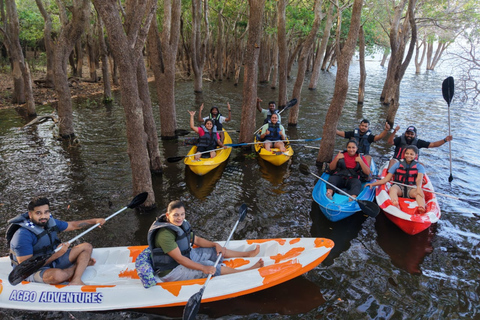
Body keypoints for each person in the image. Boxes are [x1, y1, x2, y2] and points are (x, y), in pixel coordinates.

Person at [147, 200, 264, 282]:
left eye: (182, 214)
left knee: (214, 250)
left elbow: (196, 239)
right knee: (209, 265)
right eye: (176, 215)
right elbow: (179, 259)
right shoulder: (165, 235)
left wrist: (215, 244)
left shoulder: (180, 224)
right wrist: (204, 268)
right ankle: (245, 271)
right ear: (168, 215)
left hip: (186, 256)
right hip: (172, 270)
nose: (180, 218)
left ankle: (247, 254)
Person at [7, 196, 106, 285]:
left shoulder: (49, 222)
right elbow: (26, 267)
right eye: (38, 213)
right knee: (58, 276)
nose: (43, 216)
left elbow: (72, 225)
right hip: (33, 270)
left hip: (52, 258)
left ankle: (76, 280)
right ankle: (78, 266)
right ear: (30, 214)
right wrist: (57, 255)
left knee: (86, 247)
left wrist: (95, 221)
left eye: (46, 212)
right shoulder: (22, 235)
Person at [366, 146, 427, 214]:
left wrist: (418, 188)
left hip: (411, 188)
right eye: (407, 153)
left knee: (419, 193)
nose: (408, 155)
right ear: (404, 154)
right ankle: (395, 202)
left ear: (416, 155)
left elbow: (419, 179)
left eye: (411, 154)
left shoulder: (419, 167)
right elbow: (386, 179)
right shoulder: (397, 164)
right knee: (393, 189)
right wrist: (372, 184)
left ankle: (421, 207)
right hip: (399, 187)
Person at [387, 125, 453, 168]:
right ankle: (389, 178)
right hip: (398, 160)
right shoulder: (400, 139)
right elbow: (390, 142)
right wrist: (394, 131)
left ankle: (420, 181)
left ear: (415, 135)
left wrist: (445, 140)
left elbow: (433, 144)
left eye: (411, 134)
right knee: (392, 161)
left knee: (421, 165)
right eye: (408, 133)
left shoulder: (418, 142)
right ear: (405, 133)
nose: (409, 135)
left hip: (411, 162)